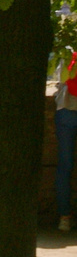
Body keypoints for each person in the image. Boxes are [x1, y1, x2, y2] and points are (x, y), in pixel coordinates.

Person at [56, 48, 77, 231]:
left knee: (65, 166)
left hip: (66, 110)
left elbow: (61, 79)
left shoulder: (67, 50)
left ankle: (65, 217)